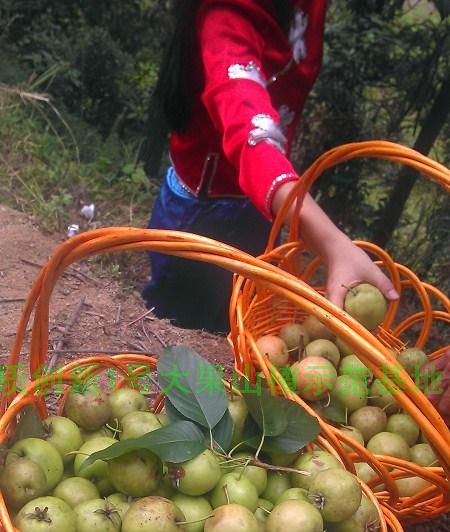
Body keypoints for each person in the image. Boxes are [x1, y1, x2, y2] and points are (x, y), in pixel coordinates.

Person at [142, 0, 400, 333]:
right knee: (176, 336)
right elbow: (254, 137)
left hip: (266, 201)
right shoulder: (225, 17)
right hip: (204, 210)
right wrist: (333, 243)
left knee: (233, 326)